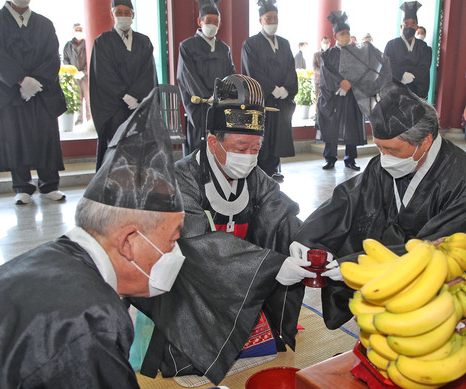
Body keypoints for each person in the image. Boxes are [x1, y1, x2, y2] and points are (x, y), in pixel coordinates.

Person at [0, 87, 186, 387]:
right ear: (129, 242)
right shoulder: (92, 319)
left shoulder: (51, 257)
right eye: (172, 241)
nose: (176, 253)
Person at [129, 75, 326, 385]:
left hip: (239, 280)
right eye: (240, 147)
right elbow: (194, 243)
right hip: (187, 285)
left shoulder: (255, 175)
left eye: (255, 148)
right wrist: (273, 267)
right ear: (212, 142)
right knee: (190, 357)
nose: (248, 157)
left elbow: (281, 212)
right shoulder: (178, 179)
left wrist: (302, 244)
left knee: (262, 341)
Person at [292, 81, 466, 329]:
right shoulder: (385, 163)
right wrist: (306, 238)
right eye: (379, 148)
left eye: (391, 149)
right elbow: (347, 201)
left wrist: (359, 264)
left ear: (426, 141)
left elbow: (435, 250)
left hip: (458, 277)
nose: (384, 157)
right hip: (397, 261)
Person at [0, 0, 66, 205]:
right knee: (15, 137)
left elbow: (53, 57)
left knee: (45, 136)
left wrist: (36, 82)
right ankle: (22, 187)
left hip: (41, 91)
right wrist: (20, 80)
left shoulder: (44, 24)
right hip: (10, 92)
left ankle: (50, 185)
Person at [90, 0, 158, 170]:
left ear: (133, 15)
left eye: (127, 12)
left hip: (139, 106)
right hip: (114, 108)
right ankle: (115, 188)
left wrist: (136, 96)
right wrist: (125, 96)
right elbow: (103, 74)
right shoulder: (103, 42)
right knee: (116, 149)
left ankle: (139, 185)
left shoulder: (144, 41)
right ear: (112, 13)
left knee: (140, 147)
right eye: (119, 12)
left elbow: (149, 73)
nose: (123, 16)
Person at [241, 0, 298, 180]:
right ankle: (258, 172)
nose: (272, 21)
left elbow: (291, 68)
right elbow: (252, 70)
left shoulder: (285, 43)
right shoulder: (250, 44)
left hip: (281, 99)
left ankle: (273, 169)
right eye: (268, 18)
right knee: (261, 135)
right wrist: (272, 89)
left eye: (275, 18)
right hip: (262, 99)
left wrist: (285, 89)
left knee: (278, 135)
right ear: (260, 20)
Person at [177, 0, 236, 153]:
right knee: (200, 150)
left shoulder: (224, 49)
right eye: (208, 20)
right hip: (200, 106)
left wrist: (223, 95)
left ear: (220, 24)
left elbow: (231, 76)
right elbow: (187, 77)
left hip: (220, 105)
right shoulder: (187, 46)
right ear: (200, 21)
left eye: (215, 21)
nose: (212, 24)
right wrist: (206, 97)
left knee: (221, 145)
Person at [317, 12, 366, 171]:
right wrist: (340, 83)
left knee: (352, 125)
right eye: (342, 34)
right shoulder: (328, 54)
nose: (345, 36)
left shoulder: (356, 53)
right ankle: (330, 158)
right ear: (335, 35)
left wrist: (350, 83)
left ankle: (350, 158)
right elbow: (326, 73)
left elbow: (361, 71)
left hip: (351, 96)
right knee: (332, 125)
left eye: (347, 33)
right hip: (335, 95)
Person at [384, 1, 432, 99]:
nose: (409, 26)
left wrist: (412, 76)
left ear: (417, 27)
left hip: (416, 92)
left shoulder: (423, 47)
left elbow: (424, 68)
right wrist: (402, 74)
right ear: (401, 26)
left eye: (412, 24)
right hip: (396, 92)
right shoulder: (391, 45)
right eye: (406, 24)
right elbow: (387, 65)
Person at [63, 23, 91, 126]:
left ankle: (89, 119)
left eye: (80, 30)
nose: (78, 32)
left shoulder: (87, 44)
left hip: (86, 77)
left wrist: (84, 72)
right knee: (77, 99)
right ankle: (79, 119)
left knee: (88, 99)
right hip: (74, 77)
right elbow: (65, 60)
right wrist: (72, 72)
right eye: (76, 30)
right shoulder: (68, 45)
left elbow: (91, 59)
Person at [312, 36, 331, 102]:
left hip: (329, 81)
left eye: (327, 43)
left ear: (330, 43)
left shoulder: (333, 54)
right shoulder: (316, 54)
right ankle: (317, 111)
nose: (325, 44)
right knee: (318, 98)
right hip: (318, 80)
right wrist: (322, 71)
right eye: (324, 42)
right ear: (321, 43)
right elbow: (314, 66)